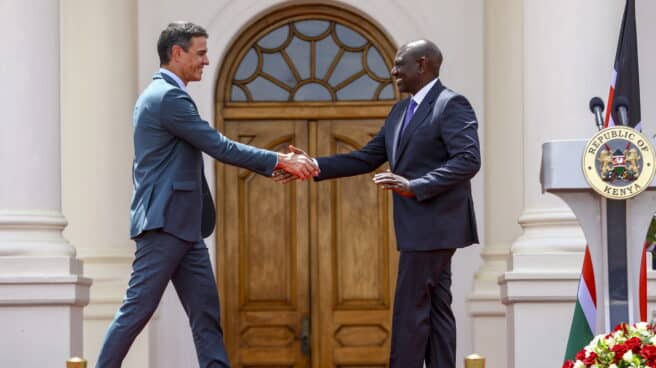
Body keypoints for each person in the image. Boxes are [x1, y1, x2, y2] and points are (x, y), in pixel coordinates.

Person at [96, 21, 318, 368]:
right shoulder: (167, 97)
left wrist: (278, 163)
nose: (206, 61)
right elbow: (218, 145)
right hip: (165, 224)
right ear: (177, 53)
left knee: (206, 316)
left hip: (185, 226)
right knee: (136, 311)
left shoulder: (164, 95)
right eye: (200, 53)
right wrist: (280, 160)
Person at [277, 39, 480, 368]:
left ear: (423, 64)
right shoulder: (400, 111)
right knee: (436, 311)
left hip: (434, 227)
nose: (393, 70)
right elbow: (366, 157)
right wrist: (313, 165)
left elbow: (468, 160)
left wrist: (414, 186)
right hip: (416, 229)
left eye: (400, 64)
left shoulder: (451, 104)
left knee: (410, 311)